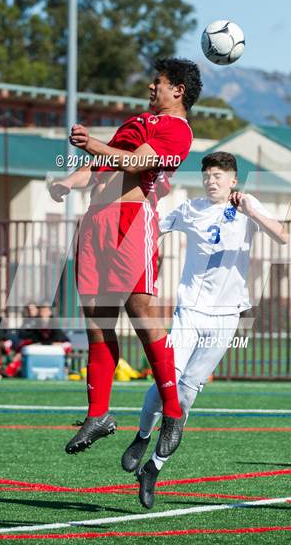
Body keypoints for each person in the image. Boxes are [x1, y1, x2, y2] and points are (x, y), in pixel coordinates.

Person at [49, 58, 202, 458]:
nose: (151, 88)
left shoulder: (176, 130)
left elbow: (135, 162)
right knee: (98, 324)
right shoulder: (137, 122)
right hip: (96, 222)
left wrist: (92, 143)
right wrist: (68, 181)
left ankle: (172, 412)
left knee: (142, 315)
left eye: (158, 83)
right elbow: (103, 163)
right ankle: (97, 415)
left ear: (178, 91)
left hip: (130, 222)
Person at [120, 151, 288, 508]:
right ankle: (141, 436)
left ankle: (153, 467)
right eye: (208, 175)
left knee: (187, 394)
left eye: (219, 175)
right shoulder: (189, 208)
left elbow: (283, 236)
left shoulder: (248, 205)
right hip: (190, 312)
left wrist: (252, 212)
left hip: (227, 316)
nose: (212, 181)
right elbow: (153, 231)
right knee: (165, 379)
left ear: (233, 181)